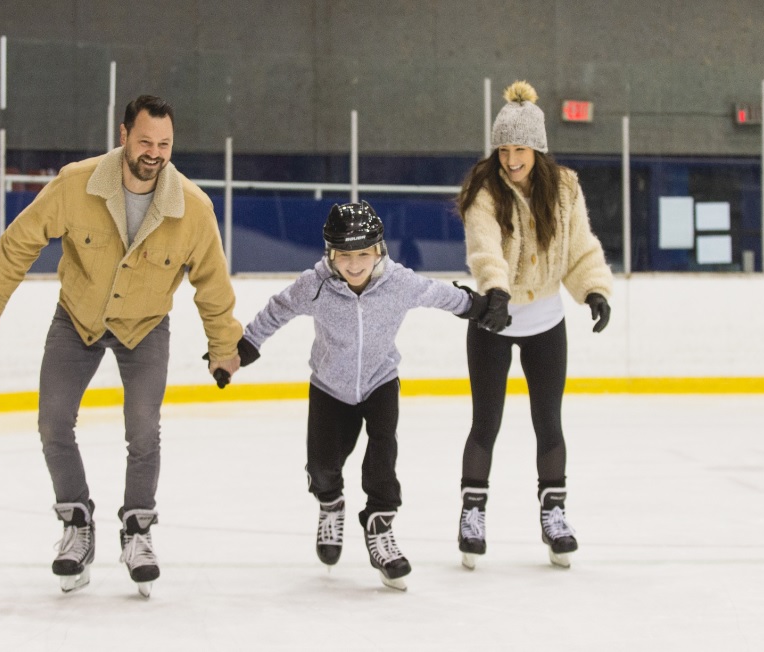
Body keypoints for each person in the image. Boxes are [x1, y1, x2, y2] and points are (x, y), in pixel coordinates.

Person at [0, 95, 242, 597]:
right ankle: (77, 524)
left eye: (164, 144)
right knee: (53, 420)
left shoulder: (193, 208)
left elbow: (213, 284)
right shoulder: (77, 184)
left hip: (145, 326)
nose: (154, 152)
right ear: (123, 135)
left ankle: (138, 531)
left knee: (144, 430)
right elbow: (22, 238)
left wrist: (224, 345)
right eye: (145, 141)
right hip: (78, 319)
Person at [231, 201, 491, 590]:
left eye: (364, 254)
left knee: (383, 453)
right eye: (345, 255)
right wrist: (248, 344)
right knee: (322, 467)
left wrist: (476, 306)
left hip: (380, 381)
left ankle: (380, 523)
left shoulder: (398, 283)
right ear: (330, 254)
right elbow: (278, 309)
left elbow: (437, 294)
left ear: (379, 251)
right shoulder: (315, 285)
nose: (355, 264)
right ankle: (330, 503)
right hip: (329, 388)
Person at [454, 81, 614, 570]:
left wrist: (594, 289)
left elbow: (579, 246)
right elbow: (484, 247)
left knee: (549, 422)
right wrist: (496, 291)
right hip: (493, 320)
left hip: (545, 319)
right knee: (487, 421)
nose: (510, 159)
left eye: (519, 149)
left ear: (537, 148)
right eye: (504, 149)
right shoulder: (485, 189)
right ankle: (472, 513)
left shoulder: (564, 188)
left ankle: (554, 513)